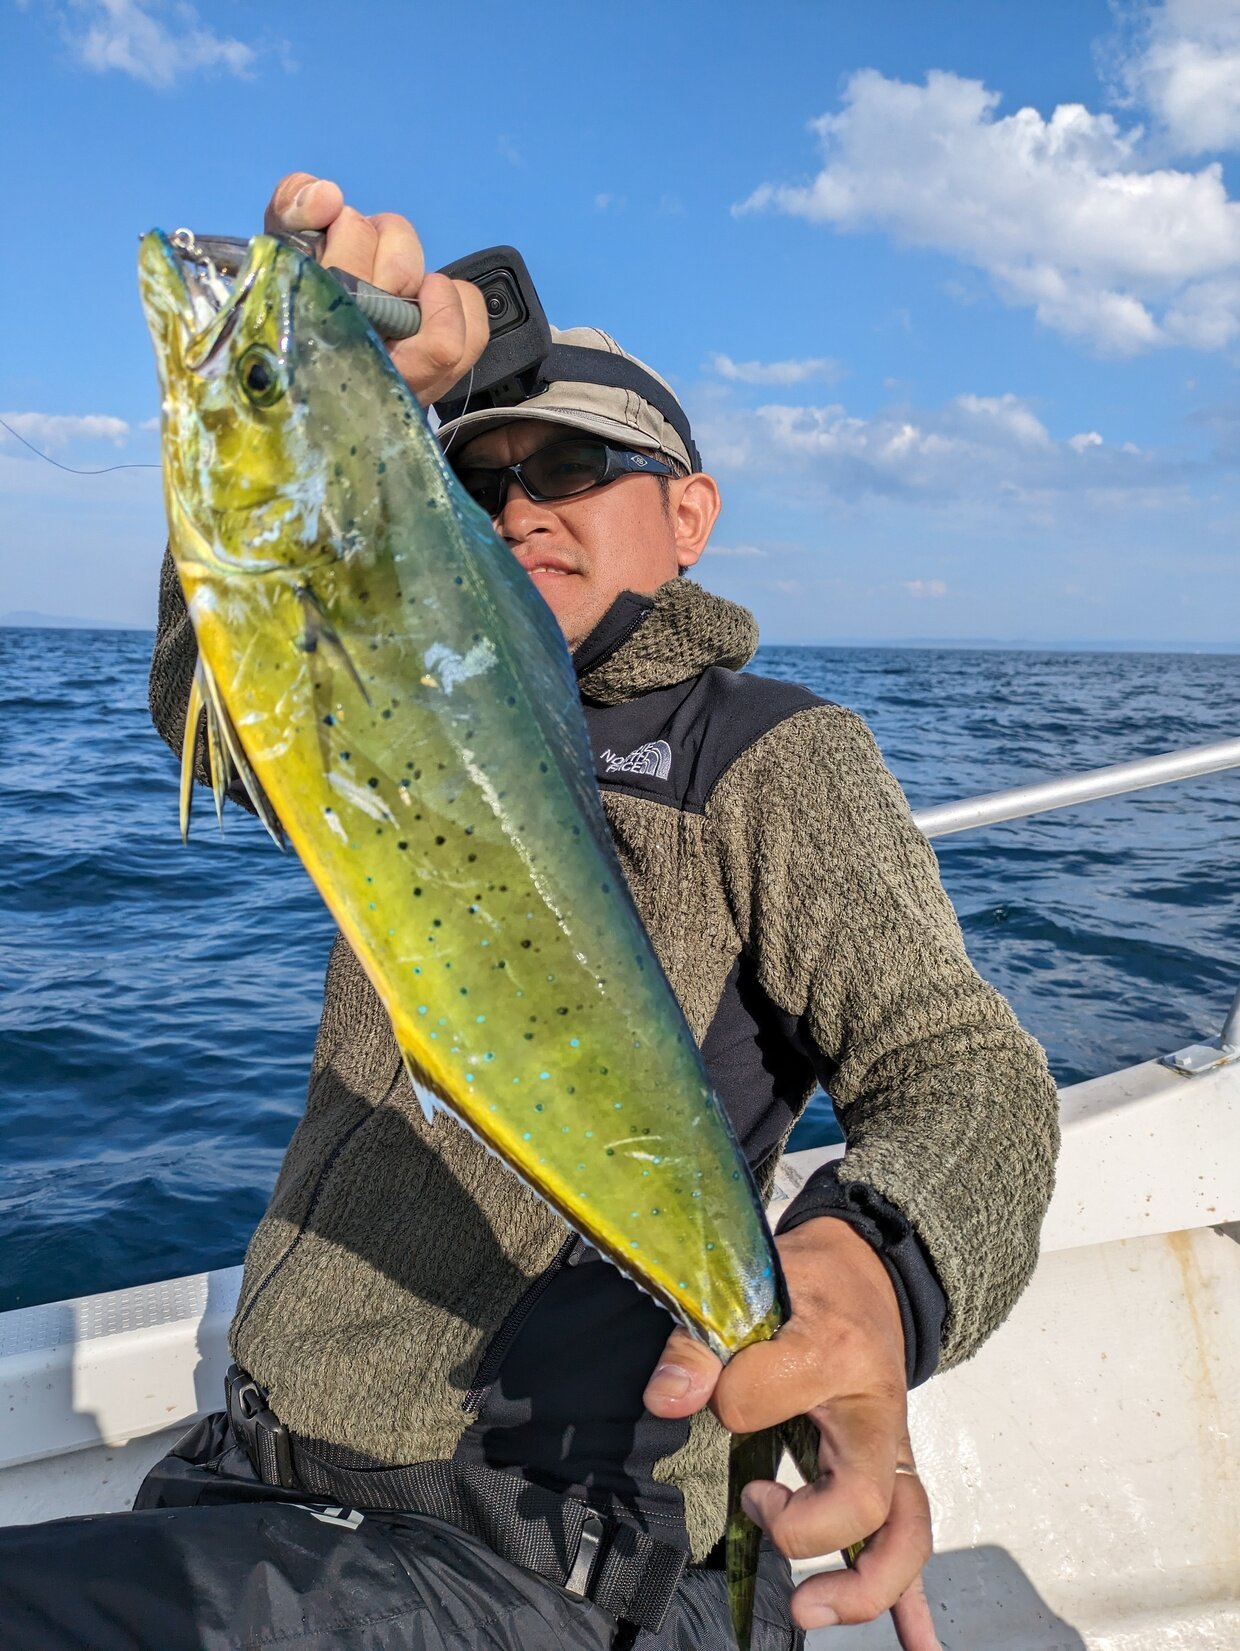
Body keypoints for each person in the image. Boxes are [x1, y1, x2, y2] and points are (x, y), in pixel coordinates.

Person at [0, 175, 1059, 1651]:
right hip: (255, 1484)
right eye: (473, 475)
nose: (515, 507)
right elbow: (220, 695)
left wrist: (882, 1273)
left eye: (569, 463)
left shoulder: (767, 753)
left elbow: (970, 1072)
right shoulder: (429, 692)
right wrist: (316, 411)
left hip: (528, 1552)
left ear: (691, 513)